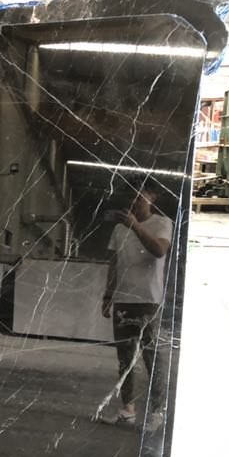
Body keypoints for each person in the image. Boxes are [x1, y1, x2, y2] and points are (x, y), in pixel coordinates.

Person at [102, 180, 173, 432]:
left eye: (139, 197)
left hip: (148, 302)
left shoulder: (163, 223)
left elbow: (159, 250)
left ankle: (157, 412)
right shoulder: (118, 229)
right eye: (130, 197)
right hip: (123, 300)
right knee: (125, 359)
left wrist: (135, 226)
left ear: (152, 197)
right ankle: (127, 410)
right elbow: (114, 263)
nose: (133, 201)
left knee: (152, 358)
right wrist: (108, 296)